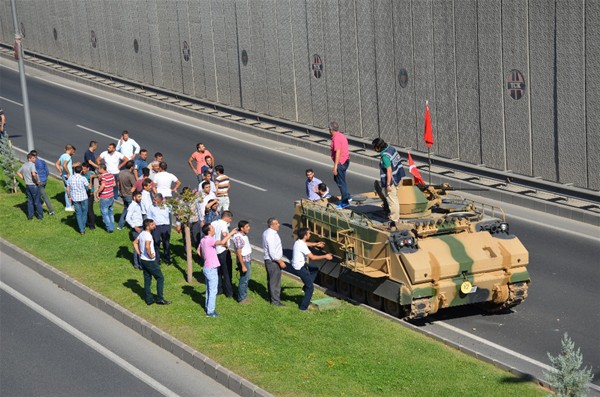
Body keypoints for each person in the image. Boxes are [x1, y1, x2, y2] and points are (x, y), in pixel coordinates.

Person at [198, 223, 237, 317]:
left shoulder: (203, 240)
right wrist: (231, 233)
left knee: (208, 289)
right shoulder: (210, 240)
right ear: (209, 231)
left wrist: (206, 258)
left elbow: (198, 251)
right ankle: (210, 312)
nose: (214, 228)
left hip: (206, 267)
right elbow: (223, 242)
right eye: (212, 228)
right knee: (213, 291)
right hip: (211, 268)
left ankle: (208, 308)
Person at [292, 227, 333, 311]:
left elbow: (307, 244)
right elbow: (313, 257)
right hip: (300, 268)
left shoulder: (299, 242)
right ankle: (303, 308)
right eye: (309, 233)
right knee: (310, 288)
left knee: (314, 269)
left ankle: (305, 287)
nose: (310, 234)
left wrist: (316, 244)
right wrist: (325, 256)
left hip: (300, 265)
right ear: (305, 235)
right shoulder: (302, 245)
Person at [133, 218, 171, 306]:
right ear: (148, 226)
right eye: (153, 225)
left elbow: (135, 243)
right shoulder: (148, 235)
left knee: (147, 279)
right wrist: (150, 255)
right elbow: (147, 246)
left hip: (143, 260)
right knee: (160, 278)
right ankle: (160, 299)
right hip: (150, 261)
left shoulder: (142, 234)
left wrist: (139, 253)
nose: (155, 226)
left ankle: (149, 299)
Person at [372, 138, 405, 224]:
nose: (374, 149)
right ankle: (396, 216)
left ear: (379, 147)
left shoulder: (385, 156)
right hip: (398, 176)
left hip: (392, 180)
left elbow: (389, 170)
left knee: (392, 200)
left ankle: (394, 219)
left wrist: (388, 184)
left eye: (375, 147)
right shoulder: (391, 149)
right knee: (395, 198)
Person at [262, 217, 287, 306]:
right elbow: (272, 252)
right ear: (271, 225)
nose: (278, 225)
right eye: (276, 224)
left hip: (271, 261)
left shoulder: (269, 232)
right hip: (273, 261)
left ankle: (273, 298)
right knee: (275, 282)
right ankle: (275, 301)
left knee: (272, 280)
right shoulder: (270, 235)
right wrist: (280, 262)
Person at [212, 210, 234, 298]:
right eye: (230, 219)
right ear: (227, 217)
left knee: (218, 271)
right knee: (226, 272)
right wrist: (226, 245)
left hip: (215, 250)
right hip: (222, 250)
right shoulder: (224, 224)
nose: (230, 221)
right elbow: (224, 234)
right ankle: (229, 292)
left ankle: (219, 289)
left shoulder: (214, 223)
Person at [329, 121, 351, 209]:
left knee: (341, 182)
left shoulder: (336, 138)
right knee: (338, 179)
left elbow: (338, 152)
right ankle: (347, 195)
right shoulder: (341, 135)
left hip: (340, 162)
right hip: (346, 160)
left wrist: (335, 166)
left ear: (331, 129)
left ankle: (345, 201)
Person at [17, 153, 43, 220]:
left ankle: (30, 216)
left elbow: (18, 172)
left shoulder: (24, 165)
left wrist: (24, 178)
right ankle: (40, 216)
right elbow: (34, 174)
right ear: (29, 159)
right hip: (33, 185)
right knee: (37, 201)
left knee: (30, 201)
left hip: (27, 185)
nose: (35, 159)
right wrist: (37, 182)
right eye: (33, 158)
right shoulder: (32, 165)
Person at [147, 193, 172, 264]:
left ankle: (167, 258)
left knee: (166, 243)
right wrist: (151, 224)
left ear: (160, 200)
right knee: (156, 242)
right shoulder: (151, 207)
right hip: (156, 227)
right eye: (153, 200)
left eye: (155, 200)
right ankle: (157, 259)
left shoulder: (166, 206)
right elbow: (149, 217)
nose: (154, 201)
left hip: (165, 226)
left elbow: (174, 211)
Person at [66, 165, 91, 235]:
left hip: (75, 198)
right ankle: (82, 227)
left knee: (78, 213)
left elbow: (67, 189)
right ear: (81, 171)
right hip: (83, 197)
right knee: (84, 212)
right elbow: (89, 187)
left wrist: (69, 197)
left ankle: (81, 229)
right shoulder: (83, 178)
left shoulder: (70, 178)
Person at [30, 150, 55, 215]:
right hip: (44, 180)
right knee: (40, 194)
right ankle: (38, 204)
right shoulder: (42, 162)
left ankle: (51, 210)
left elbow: (33, 173)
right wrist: (45, 177)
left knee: (43, 196)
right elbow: (47, 171)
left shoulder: (33, 164)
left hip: (38, 181)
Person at [233, 220, 252, 304]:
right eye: (247, 227)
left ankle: (244, 295)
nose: (249, 228)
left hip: (247, 260)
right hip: (244, 262)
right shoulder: (238, 238)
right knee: (244, 280)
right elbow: (239, 253)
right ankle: (241, 298)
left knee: (246, 279)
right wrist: (243, 265)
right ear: (242, 228)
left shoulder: (243, 235)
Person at [126, 191, 144, 270]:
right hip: (136, 228)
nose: (140, 198)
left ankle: (138, 264)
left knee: (139, 246)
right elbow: (127, 218)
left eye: (141, 196)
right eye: (139, 197)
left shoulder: (138, 205)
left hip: (141, 227)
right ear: (134, 197)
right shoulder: (132, 206)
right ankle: (139, 265)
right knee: (138, 246)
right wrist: (134, 227)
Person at [55, 144, 76, 211]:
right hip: (68, 176)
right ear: (70, 149)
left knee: (67, 189)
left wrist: (60, 171)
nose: (74, 152)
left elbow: (56, 164)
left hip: (64, 175)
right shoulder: (68, 156)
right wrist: (69, 173)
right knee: (69, 190)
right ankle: (68, 206)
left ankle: (70, 205)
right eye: (73, 151)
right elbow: (64, 165)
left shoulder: (62, 155)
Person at [97, 164, 116, 233]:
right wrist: (109, 186)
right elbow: (114, 184)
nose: (98, 170)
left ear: (102, 169)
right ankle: (113, 226)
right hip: (111, 195)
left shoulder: (103, 177)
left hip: (104, 197)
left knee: (104, 213)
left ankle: (109, 228)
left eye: (98, 169)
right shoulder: (111, 175)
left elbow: (103, 185)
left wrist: (98, 192)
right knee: (110, 212)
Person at [117, 161, 137, 230]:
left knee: (126, 209)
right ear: (131, 167)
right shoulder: (130, 175)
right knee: (132, 211)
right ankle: (133, 226)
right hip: (129, 195)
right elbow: (135, 185)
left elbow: (118, 183)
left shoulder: (121, 172)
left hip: (123, 194)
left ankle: (120, 225)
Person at [81, 162, 96, 230]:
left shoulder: (91, 173)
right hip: (83, 194)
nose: (83, 170)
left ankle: (92, 225)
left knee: (90, 210)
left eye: (84, 169)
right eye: (82, 169)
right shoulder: (81, 174)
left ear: (88, 168)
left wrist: (93, 177)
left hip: (90, 194)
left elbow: (98, 176)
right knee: (84, 209)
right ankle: (86, 222)